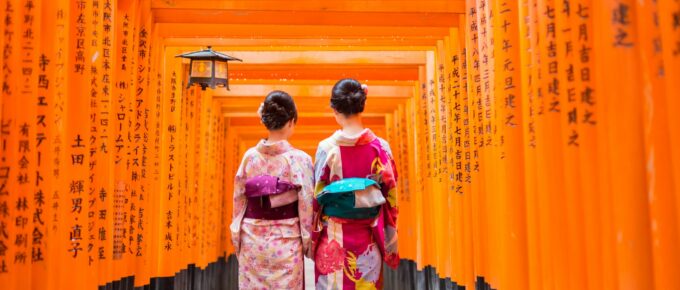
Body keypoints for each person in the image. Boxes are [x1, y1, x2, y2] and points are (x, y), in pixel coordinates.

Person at [312, 78, 399, 289]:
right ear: (362, 105)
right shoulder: (380, 148)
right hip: (367, 244)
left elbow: (315, 200)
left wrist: (312, 239)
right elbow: (391, 200)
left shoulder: (326, 148)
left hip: (332, 242)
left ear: (335, 109)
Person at [230, 90, 314, 289]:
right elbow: (307, 205)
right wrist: (308, 242)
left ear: (264, 120)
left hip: (252, 240)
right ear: (292, 121)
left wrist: (237, 237)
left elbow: (239, 200)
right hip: (286, 243)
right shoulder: (300, 159)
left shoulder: (249, 157)